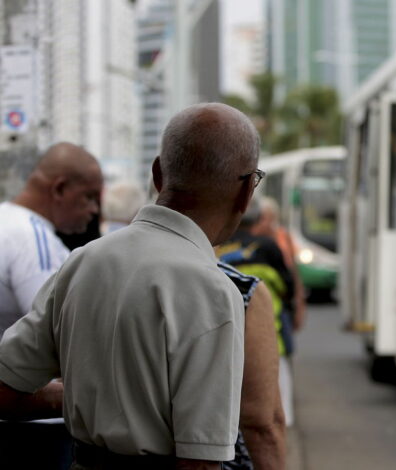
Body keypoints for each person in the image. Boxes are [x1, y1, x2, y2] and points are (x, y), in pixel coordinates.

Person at [0, 103, 285, 470]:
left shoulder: (83, 262)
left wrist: (71, 397)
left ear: (157, 174)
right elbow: (200, 462)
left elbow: (5, 388)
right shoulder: (214, 292)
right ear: (247, 191)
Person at [0, 142, 102, 338]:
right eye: (89, 197)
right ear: (60, 189)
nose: (94, 210)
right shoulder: (32, 239)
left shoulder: (7, 218)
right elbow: (59, 331)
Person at [218, 194, 296, 427]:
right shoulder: (269, 247)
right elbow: (287, 287)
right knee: (273, 409)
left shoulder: (217, 247)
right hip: (269, 335)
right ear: (258, 218)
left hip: (226, 336)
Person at [252, 197, 306, 331]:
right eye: (263, 218)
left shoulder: (283, 236)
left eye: (269, 218)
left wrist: (299, 304)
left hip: (283, 299)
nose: (266, 223)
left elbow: (293, 270)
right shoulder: (250, 241)